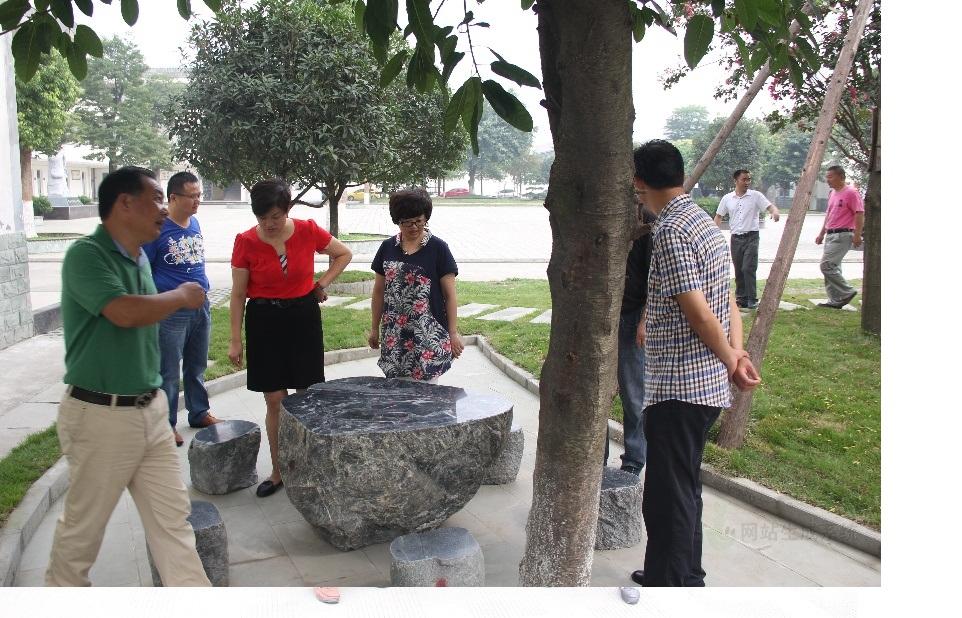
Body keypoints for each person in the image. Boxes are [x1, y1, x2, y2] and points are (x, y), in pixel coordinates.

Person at [47, 166, 210, 587]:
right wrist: (180, 295)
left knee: (174, 526)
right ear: (124, 203)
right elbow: (122, 311)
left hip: (151, 412)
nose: (164, 208)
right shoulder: (87, 255)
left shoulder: (139, 256)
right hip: (101, 417)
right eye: (155, 198)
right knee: (82, 535)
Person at [628, 141, 760, 587]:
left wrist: (732, 359)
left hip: (680, 387)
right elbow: (729, 301)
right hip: (704, 385)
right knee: (684, 486)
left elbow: (699, 311)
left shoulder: (670, 230)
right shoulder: (703, 222)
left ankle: (670, 586)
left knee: (668, 495)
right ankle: (686, 574)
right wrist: (736, 355)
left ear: (638, 180)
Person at [227, 179, 352, 499]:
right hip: (264, 321)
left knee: (306, 396)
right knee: (274, 399)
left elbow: (343, 254)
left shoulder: (308, 230)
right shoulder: (245, 242)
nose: (269, 224)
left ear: (288, 209)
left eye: (276, 216)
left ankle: (309, 464)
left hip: (302, 317)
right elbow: (238, 294)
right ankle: (279, 469)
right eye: (262, 218)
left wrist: (321, 284)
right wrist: (235, 339)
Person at [143, 171, 221, 448]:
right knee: (168, 370)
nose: (198, 201)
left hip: (201, 306)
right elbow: (145, 270)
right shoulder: (158, 227)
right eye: (192, 196)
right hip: (172, 311)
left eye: (199, 195)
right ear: (173, 197)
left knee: (197, 365)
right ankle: (166, 425)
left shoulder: (195, 222)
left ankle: (199, 412)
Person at [368, 189, 464, 381]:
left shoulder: (438, 248)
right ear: (397, 221)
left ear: (426, 218)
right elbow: (379, 292)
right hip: (395, 336)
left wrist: (453, 333)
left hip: (428, 336)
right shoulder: (387, 247)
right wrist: (374, 328)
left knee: (427, 393)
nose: (414, 227)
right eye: (407, 222)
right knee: (396, 392)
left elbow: (450, 295)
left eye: (419, 221)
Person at [604, 206, 656, 475]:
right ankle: (596, 458)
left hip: (632, 316)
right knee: (595, 394)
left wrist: (645, 319)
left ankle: (634, 461)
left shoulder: (647, 220)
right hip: (601, 316)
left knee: (634, 395)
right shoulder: (603, 211)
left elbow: (655, 278)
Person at [713, 169, 780, 309]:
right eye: (744, 179)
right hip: (735, 238)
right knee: (738, 269)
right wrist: (713, 234)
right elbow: (719, 216)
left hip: (751, 237)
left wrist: (775, 212)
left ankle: (752, 298)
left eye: (749, 179)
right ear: (736, 181)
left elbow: (769, 206)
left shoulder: (755, 196)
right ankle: (741, 298)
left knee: (748, 267)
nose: (747, 182)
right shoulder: (727, 198)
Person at [815, 165, 864, 308]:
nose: (827, 180)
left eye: (830, 177)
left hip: (843, 234)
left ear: (841, 177)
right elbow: (829, 215)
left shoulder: (851, 192)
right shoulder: (832, 193)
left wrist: (857, 234)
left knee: (826, 265)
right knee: (834, 267)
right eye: (827, 177)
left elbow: (859, 213)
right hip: (831, 234)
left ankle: (847, 292)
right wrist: (822, 233)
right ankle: (835, 300)